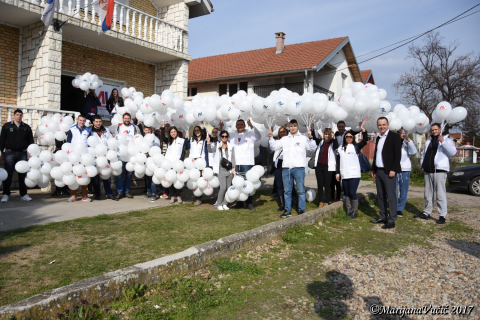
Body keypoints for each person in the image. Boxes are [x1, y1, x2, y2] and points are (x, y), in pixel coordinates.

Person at [268, 119, 317, 218]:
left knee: (300, 190)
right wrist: (270, 137)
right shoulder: (285, 139)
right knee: (287, 191)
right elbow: (274, 147)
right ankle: (287, 210)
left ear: (297, 126)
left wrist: (311, 137)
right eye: (291, 126)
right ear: (289, 127)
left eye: (294, 126)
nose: (293, 128)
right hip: (286, 168)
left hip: (299, 168)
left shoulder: (303, 138)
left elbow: (312, 148)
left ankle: (301, 209)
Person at [419, 123, 457, 224]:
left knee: (440, 194)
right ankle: (427, 212)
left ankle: (442, 215)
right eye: (432, 130)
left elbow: (453, 152)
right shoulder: (428, 141)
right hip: (428, 170)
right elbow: (424, 154)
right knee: (427, 194)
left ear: (440, 129)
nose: (434, 131)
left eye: (436, 129)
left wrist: (443, 142)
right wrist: (422, 164)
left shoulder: (447, 140)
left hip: (440, 170)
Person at [220, 119, 261, 210]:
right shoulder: (233, 135)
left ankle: (249, 202)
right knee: (236, 183)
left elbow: (258, 136)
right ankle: (239, 202)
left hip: (247, 163)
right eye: (238, 124)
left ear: (244, 125)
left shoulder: (250, 134)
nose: (240, 126)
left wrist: (251, 125)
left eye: (241, 124)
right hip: (235, 163)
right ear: (236, 126)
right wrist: (220, 127)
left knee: (248, 183)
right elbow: (223, 137)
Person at [371, 117, 402, 229]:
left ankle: (391, 219)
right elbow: (376, 155)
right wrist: (373, 169)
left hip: (389, 171)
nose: (382, 127)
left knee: (391, 195)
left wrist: (394, 169)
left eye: (384, 124)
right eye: (380, 125)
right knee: (380, 195)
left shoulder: (394, 137)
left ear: (388, 125)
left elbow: (397, 155)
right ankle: (383, 216)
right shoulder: (379, 138)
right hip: (379, 171)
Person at [0, 109, 34, 203]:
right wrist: (0, 152)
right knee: (8, 174)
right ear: (14, 115)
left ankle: (23, 194)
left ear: (22, 116)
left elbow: (31, 142)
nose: (19, 117)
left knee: (22, 174)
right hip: (9, 153)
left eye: (20, 115)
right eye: (17, 115)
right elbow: (2, 140)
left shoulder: (26, 127)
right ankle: (6, 194)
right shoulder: (7, 126)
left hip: (22, 153)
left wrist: (32, 154)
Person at [336, 124, 368, 218]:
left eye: (350, 136)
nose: (349, 138)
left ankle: (355, 211)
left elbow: (365, 140)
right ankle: (348, 210)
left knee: (352, 192)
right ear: (344, 138)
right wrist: (337, 173)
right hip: (344, 174)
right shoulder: (340, 149)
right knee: (346, 193)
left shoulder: (355, 147)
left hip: (354, 174)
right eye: (347, 136)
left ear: (353, 138)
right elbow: (338, 162)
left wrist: (363, 129)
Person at [111, 113, 141, 200]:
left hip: (131, 155)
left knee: (128, 175)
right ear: (122, 119)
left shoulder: (135, 128)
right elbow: (106, 130)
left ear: (130, 119)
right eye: (125, 118)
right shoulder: (118, 127)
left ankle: (127, 191)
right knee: (120, 174)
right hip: (120, 154)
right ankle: (119, 192)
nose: (127, 120)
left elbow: (138, 139)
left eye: (128, 118)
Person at [88, 115, 117, 201]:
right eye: (96, 122)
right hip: (95, 156)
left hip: (105, 156)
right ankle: (97, 194)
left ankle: (109, 193)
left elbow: (110, 141)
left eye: (100, 121)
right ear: (93, 122)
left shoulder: (106, 130)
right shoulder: (90, 131)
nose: (98, 123)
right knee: (95, 177)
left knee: (106, 175)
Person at [66, 114, 92, 202]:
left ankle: (84, 195)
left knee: (84, 174)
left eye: (83, 121)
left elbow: (90, 142)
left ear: (85, 121)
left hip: (84, 156)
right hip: (74, 155)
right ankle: (73, 195)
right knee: (74, 174)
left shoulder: (88, 130)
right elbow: (68, 142)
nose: (82, 122)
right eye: (80, 120)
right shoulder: (72, 129)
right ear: (77, 120)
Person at [312, 128, 339, 208]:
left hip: (328, 166)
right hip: (319, 166)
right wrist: (313, 130)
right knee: (320, 184)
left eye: (328, 134)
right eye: (326, 134)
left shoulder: (332, 142)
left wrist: (334, 137)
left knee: (327, 185)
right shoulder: (321, 142)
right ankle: (321, 201)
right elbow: (314, 138)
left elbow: (336, 146)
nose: (327, 136)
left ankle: (327, 201)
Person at [396, 128, 418, 217]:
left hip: (405, 169)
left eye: (403, 132)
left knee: (403, 191)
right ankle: (395, 207)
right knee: (393, 191)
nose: (402, 134)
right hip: (395, 169)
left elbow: (413, 152)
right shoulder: (394, 141)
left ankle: (400, 209)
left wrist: (409, 140)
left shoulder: (407, 143)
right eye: (400, 132)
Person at [165, 126, 189, 204]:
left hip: (178, 164)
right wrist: (162, 127)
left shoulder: (182, 140)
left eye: (174, 132)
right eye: (171, 132)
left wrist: (180, 161)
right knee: (171, 180)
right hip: (169, 164)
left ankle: (178, 196)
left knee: (178, 180)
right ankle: (172, 196)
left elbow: (184, 151)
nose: (173, 133)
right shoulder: (169, 141)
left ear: (177, 132)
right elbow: (162, 136)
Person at [212, 130, 236, 210]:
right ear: (220, 137)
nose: (224, 138)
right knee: (223, 188)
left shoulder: (231, 146)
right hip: (221, 169)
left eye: (226, 136)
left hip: (229, 169)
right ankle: (219, 203)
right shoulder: (217, 146)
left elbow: (233, 157)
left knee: (228, 187)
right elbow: (210, 150)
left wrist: (234, 167)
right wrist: (208, 142)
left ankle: (225, 203)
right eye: (223, 136)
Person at [269, 126, 289, 212]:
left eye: (284, 131)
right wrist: (270, 136)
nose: (282, 133)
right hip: (278, 164)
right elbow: (273, 147)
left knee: (288, 184)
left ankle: (292, 200)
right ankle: (282, 204)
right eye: (280, 132)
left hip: (287, 164)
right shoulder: (277, 141)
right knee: (279, 184)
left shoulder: (290, 140)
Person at [189, 125, 209, 205]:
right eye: (195, 130)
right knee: (194, 178)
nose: (197, 131)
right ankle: (196, 194)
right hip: (193, 161)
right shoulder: (191, 139)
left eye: (198, 130)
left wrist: (204, 128)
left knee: (200, 179)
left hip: (201, 161)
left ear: (201, 131)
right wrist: (186, 138)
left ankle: (199, 198)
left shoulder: (204, 140)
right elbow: (187, 147)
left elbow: (206, 152)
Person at [142, 126, 160, 202]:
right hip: (145, 160)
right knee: (147, 176)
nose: (147, 131)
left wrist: (149, 153)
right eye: (146, 130)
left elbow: (157, 148)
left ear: (151, 130)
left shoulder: (155, 138)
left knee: (153, 177)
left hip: (152, 160)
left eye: (149, 130)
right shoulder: (142, 138)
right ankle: (148, 191)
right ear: (144, 130)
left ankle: (154, 193)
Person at [331, 120, 347, 202]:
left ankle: (345, 194)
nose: (341, 128)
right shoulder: (336, 134)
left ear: (344, 127)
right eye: (339, 127)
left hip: (346, 157)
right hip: (337, 157)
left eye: (342, 127)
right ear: (337, 127)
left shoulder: (347, 134)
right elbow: (334, 146)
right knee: (337, 177)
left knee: (345, 176)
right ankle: (337, 196)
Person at [156, 120, 171, 199]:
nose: (167, 128)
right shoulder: (161, 135)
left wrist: (162, 128)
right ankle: (165, 191)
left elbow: (165, 138)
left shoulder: (171, 135)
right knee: (163, 175)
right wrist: (162, 127)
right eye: (165, 126)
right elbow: (162, 138)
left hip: (169, 158)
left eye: (168, 126)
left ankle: (169, 192)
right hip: (162, 157)